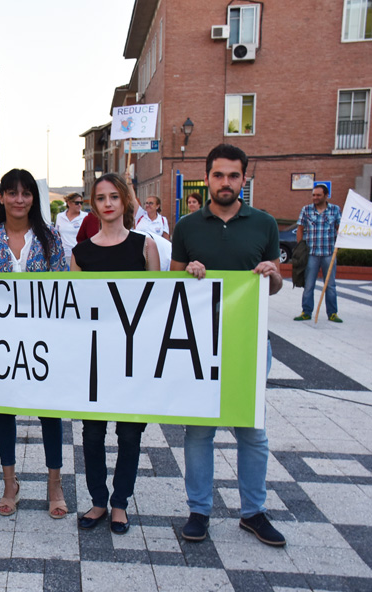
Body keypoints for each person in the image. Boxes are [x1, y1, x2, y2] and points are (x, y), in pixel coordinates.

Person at [171, 144, 285, 547]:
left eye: (233, 176)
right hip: (199, 345)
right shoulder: (186, 226)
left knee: (252, 432)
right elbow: (172, 286)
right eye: (218, 175)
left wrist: (271, 274)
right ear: (208, 177)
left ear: (243, 179)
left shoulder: (265, 224)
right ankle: (199, 510)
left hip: (250, 343)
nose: (225, 183)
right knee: (199, 430)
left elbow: (272, 287)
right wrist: (189, 272)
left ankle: (253, 511)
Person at [0, 169, 69, 519]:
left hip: (43, 338)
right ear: (1, 198)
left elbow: (62, 288)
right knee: (5, 409)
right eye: (11, 193)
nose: (18, 199)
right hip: (2, 341)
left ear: (34, 198)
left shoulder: (50, 238)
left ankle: (54, 483)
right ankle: (9, 483)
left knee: (49, 411)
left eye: (26, 193)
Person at [71, 173, 160, 535]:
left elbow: (160, 302)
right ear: (94, 204)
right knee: (91, 435)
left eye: (113, 197)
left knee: (129, 434)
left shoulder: (145, 246)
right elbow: (72, 308)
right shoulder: (81, 253)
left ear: (125, 201)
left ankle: (120, 502)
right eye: (101, 198)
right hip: (94, 357)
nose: (107, 203)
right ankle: (97, 500)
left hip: (132, 356)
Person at [294, 184, 342, 323]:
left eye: (318, 195)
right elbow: (300, 229)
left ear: (326, 196)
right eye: (313, 195)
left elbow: (339, 228)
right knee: (309, 284)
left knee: (331, 285)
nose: (315, 197)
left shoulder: (335, 210)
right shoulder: (306, 210)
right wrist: (300, 247)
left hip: (329, 253)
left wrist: (340, 239)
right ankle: (306, 311)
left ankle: (332, 313)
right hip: (312, 254)